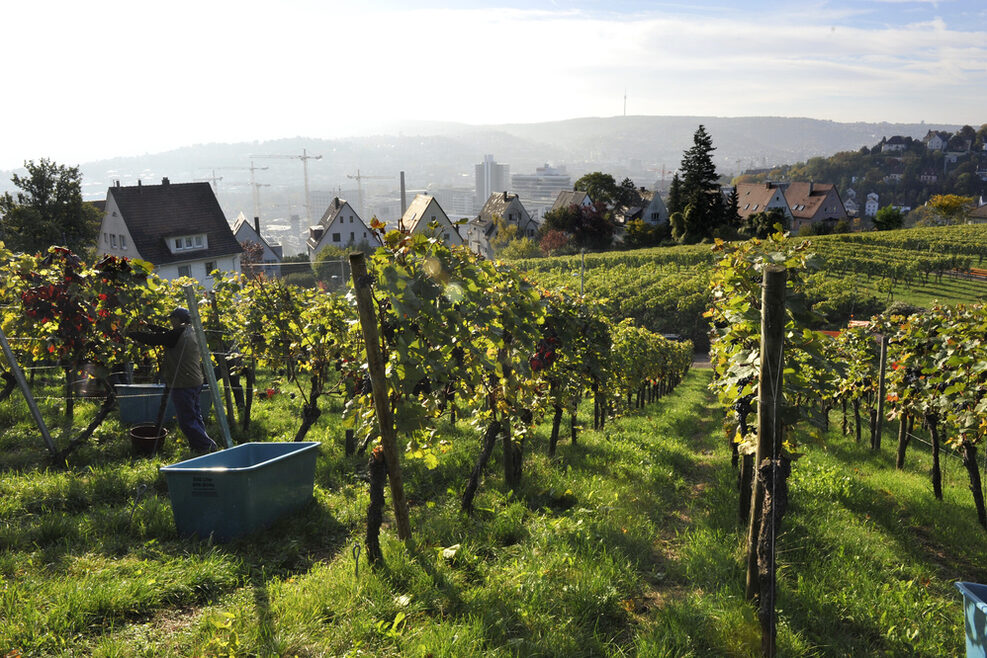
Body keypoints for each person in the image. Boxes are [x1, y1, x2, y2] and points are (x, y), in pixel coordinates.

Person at [129, 307, 219, 455]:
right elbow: (165, 333)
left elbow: (156, 339)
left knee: (186, 420)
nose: (170, 321)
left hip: (183, 382)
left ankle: (207, 446)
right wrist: (147, 325)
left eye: (172, 318)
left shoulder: (177, 334)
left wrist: (131, 334)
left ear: (177, 319)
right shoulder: (191, 331)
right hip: (195, 380)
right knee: (195, 415)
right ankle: (199, 445)